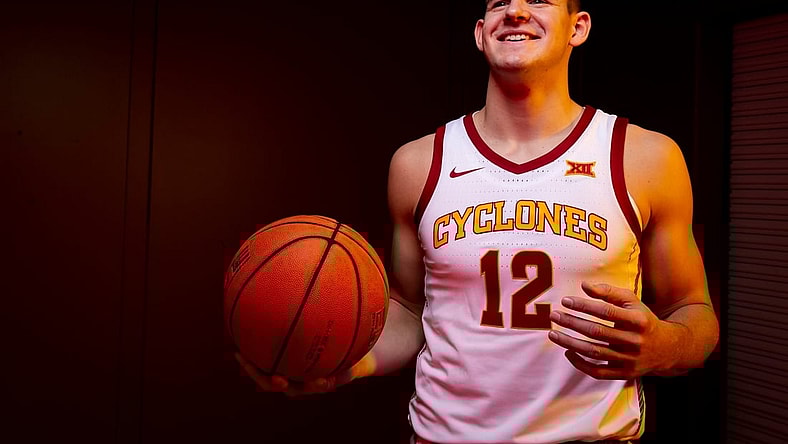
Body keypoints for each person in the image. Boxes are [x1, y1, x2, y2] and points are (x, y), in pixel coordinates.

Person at [236, 0, 720, 442]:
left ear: (578, 27)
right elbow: (407, 310)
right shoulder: (417, 163)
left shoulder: (644, 157)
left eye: (538, 1)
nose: (514, 12)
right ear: (479, 32)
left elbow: (694, 310)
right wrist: (342, 361)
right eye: (499, 3)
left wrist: (665, 347)